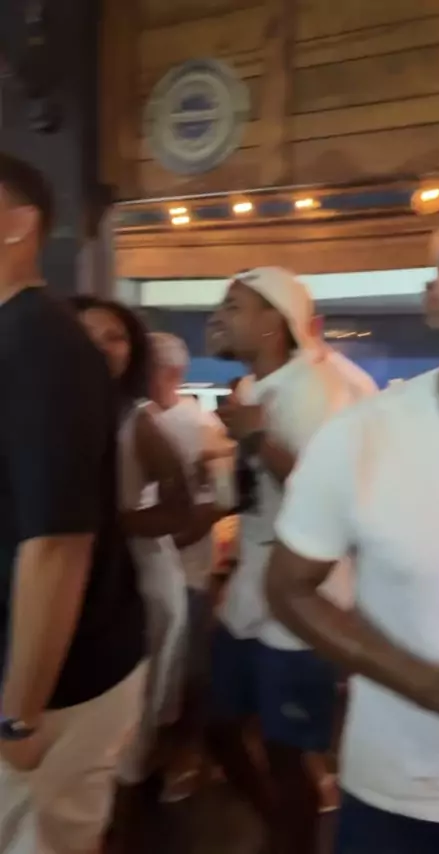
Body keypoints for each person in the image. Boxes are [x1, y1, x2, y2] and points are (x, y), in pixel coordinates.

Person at [266, 189, 439, 854]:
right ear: (435, 299)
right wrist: (428, 684)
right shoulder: (361, 438)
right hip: (404, 799)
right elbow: (290, 587)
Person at [0, 153, 146, 854]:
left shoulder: (39, 344)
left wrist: (19, 716)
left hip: (53, 691)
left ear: (17, 226)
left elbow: (57, 544)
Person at [208, 267, 377, 854]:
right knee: (219, 725)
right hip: (251, 588)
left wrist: (258, 439)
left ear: (273, 324)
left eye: (233, 306)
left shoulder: (316, 391)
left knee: (287, 752)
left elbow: (331, 501)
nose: (217, 317)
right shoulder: (254, 388)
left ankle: (292, 839)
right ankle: (279, 825)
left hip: (303, 598)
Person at [71, 298, 192, 791]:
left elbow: (180, 507)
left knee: (124, 728)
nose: (101, 347)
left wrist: (111, 525)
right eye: (87, 335)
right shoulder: (41, 408)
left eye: (114, 337)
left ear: (132, 351)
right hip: (73, 578)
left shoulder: (137, 420)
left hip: (135, 580)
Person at [148, 332, 235, 800]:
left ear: (172, 372)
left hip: (186, 571)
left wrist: (170, 538)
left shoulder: (199, 425)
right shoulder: (134, 418)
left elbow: (221, 499)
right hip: (144, 572)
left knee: (189, 669)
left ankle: (187, 754)